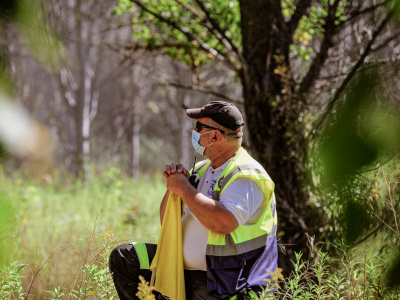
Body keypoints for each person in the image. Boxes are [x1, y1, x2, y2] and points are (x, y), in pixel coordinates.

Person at [109, 101, 278, 300]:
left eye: (199, 128)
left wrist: (184, 188)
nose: (195, 132)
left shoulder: (247, 176)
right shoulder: (201, 169)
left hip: (227, 283)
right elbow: (166, 221)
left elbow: (224, 222)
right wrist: (173, 188)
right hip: (184, 271)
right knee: (124, 257)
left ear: (215, 135)